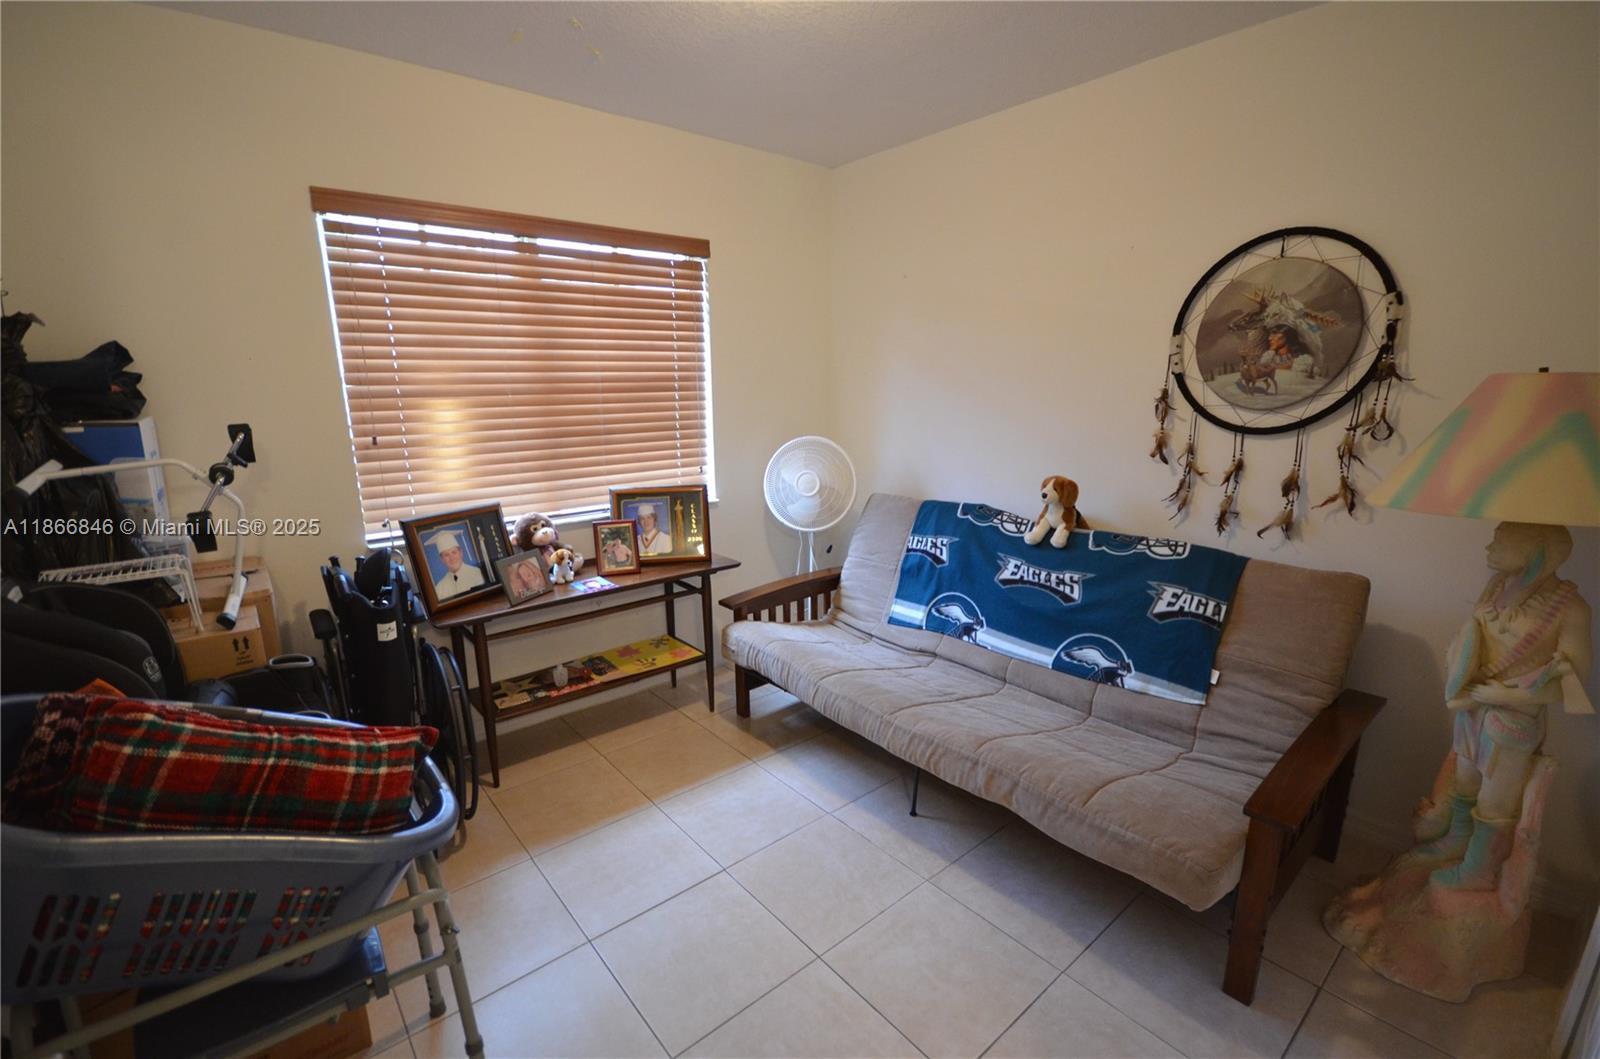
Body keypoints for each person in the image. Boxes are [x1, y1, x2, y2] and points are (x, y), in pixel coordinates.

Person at [429, 529, 486, 599]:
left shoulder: (478, 574)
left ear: (461, 553)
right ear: (442, 559)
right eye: (446, 555)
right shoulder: (439, 589)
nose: (451, 558)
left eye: (454, 552)